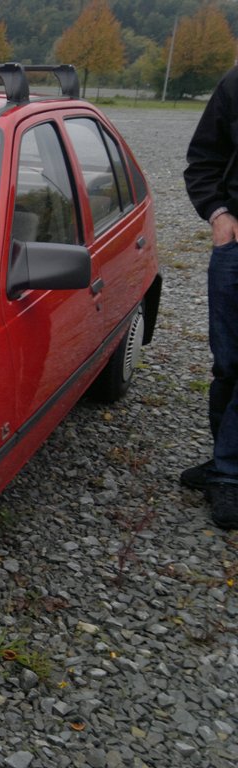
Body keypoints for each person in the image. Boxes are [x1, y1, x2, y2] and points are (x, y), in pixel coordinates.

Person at [182, 65, 238, 529]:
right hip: (235, 246)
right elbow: (202, 158)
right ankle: (225, 460)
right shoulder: (236, 84)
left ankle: (228, 474)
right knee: (227, 363)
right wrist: (218, 214)